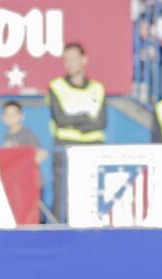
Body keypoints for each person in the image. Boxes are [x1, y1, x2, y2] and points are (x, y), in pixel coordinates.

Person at [47, 42, 107, 223]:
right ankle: (58, 235)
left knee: (92, 194)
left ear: (84, 60)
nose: (69, 63)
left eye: (73, 59)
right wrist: (86, 119)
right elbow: (60, 119)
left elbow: (101, 122)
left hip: (93, 148)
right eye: (66, 60)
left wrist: (74, 122)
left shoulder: (97, 88)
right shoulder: (56, 86)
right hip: (66, 147)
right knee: (62, 194)